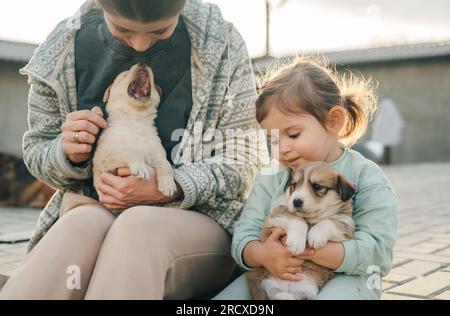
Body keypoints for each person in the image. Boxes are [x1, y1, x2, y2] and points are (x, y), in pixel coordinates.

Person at [0, 0, 267, 299]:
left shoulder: (222, 44)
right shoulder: (60, 52)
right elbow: (38, 149)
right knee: (80, 224)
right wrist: (64, 153)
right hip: (95, 209)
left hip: (200, 224)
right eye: (123, 29)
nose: (140, 46)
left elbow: (247, 156)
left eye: (160, 30)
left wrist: (174, 186)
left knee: (137, 228)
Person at [214, 57, 397, 300]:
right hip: (270, 274)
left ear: (333, 120)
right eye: (273, 140)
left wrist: (310, 252)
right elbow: (244, 234)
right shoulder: (272, 175)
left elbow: (378, 254)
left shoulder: (367, 176)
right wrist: (262, 254)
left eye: (293, 134)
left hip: (348, 278)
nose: (281, 149)